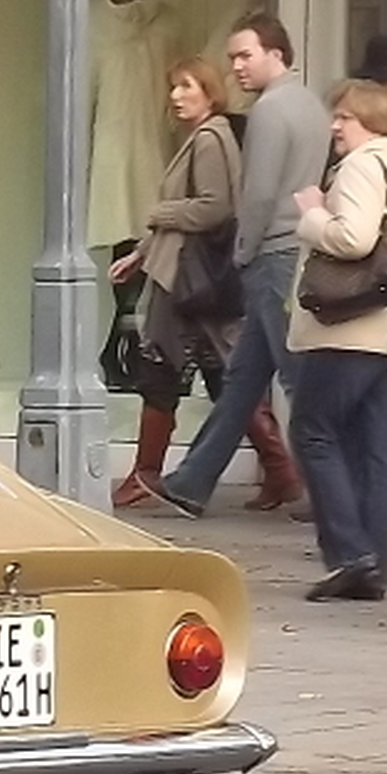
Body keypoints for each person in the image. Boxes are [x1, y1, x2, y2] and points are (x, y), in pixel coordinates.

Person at [141, 15, 330, 518]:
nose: (236, 66)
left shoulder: (270, 111)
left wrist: (243, 254)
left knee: (296, 380)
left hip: (273, 254)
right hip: (295, 249)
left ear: (276, 53)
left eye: (245, 55)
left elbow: (259, 192)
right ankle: (191, 481)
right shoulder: (311, 104)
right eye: (233, 57)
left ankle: (337, 489)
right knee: (243, 380)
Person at [283, 80, 387, 601]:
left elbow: (353, 237)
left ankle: (349, 554)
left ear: (370, 118)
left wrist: (313, 213)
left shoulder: (363, 165)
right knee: (381, 448)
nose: (334, 126)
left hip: (348, 328)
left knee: (314, 431)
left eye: (344, 116)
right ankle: (376, 567)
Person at [108, 57, 241, 509]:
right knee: (221, 373)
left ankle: (145, 473)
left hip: (184, 276)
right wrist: (140, 254)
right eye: (173, 87)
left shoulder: (208, 139)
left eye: (187, 86)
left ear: (209, 91)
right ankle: (281, 471)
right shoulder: (204, 137)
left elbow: (214, 208)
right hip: (181, 270)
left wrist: (159, 214)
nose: (176, 96)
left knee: (162, 365)